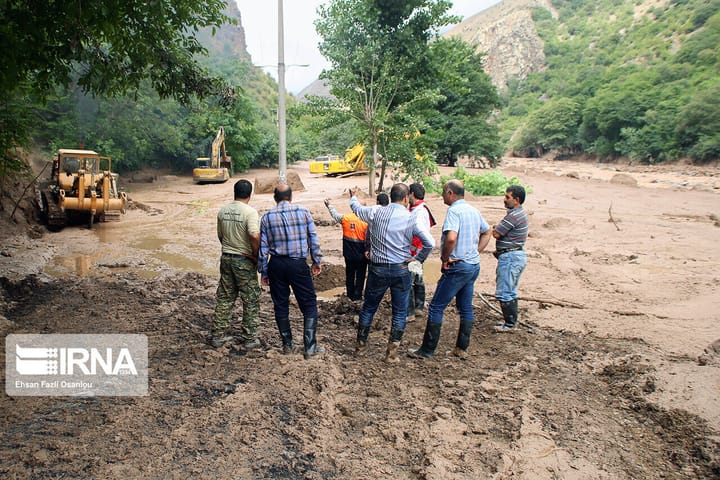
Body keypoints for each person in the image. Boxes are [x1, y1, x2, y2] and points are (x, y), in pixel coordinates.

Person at [349, 183, 434, 362]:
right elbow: (429, 243)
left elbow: (355, 208)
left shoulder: (375, 212)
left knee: (368, 309)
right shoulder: (411, 218)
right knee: (400, 312)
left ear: (391, 196)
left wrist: (353, 196)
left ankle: (360, 348)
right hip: (401, 269)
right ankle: (391, 354)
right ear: (405, 198)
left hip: (377, 270)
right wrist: (417, 259)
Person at [409, 179, 492, 359]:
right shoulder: (473, 210)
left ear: (450, 193)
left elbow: (451, 238)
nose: (441, 195)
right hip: (472, 265)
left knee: (436, 307)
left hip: (457, 266)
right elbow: (487, 231)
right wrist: (476, 252)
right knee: (466, 308)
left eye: (443, 192)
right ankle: (461, 348)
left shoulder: (454, 211)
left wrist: (445, 258)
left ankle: (427, 350)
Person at [259, 185, 324, 359]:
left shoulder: (266, 217)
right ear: (291, 196)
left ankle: (287, 345)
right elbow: (314, 240)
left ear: (275, 198)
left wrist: (264, 272)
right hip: (298, 264)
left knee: (280, 304)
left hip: (276, 265)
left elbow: (263, 249)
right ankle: (310, 348)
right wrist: (316, 261)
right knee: (309, 303)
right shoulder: (303, 212)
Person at [208, 179, 261, 349]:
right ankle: (250, 338)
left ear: (234, 192)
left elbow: (220, 236)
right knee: (250, 299)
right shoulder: (250, 212)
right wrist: (256, 255)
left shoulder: (223, 211)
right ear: (250, 194)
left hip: (226, 257)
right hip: (243, 260)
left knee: (225, 297)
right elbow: (253, 234)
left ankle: (217, 335)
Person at [492, 185, 529, 332]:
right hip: (516, 255)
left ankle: (509, 324)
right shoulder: (519, 214)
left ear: (517, 200)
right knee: (511, 290)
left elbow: (496, 234)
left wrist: (495, 229)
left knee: (504, 292)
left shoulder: (513, 216)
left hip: (510, 257)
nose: (505, 199)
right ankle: (511, 321)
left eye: (508, 197)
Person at [324, 197, 368, 301]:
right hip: (362, 255)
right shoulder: (367, 221)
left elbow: (335, 215)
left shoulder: (346, 218)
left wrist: (329, 205)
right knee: (360, 276)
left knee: (350, 275)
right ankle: (357, 297)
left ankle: (349, 296)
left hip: (349, 254)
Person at [406, 183, 436, 323]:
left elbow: (420, 234)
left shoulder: (418, 211)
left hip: (415, 252)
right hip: (418, 251)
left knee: (409, 282)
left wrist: (415, 255)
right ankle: (419, 306)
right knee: (418, 279)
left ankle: (410, 311)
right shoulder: (422, 209)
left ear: (412, 194)